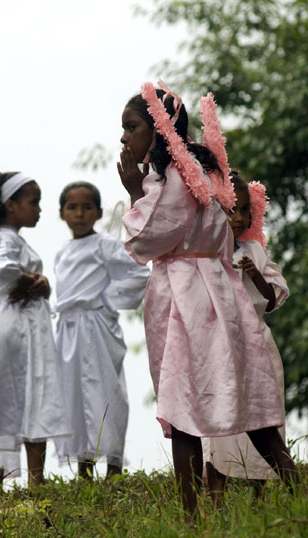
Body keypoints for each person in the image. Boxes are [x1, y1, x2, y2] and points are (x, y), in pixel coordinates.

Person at [117, 81, 299, 514]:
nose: (124, 137)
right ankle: (296, 494)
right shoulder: (201, 170)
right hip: (218, 291)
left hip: (189, 297)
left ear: (160, 130)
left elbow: (149, 236)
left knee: (183, 406)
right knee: (247, 405)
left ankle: (192, 516)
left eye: (132, 127)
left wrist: (133, 192)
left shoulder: (175, 178)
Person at [0, 172, 69, 488]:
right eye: (33, 202)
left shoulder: (11, 237)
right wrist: (29, 281)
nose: (39, 209)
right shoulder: (6, 237)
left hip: (24, 328)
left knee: (24, 399)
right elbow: (2, 270)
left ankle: (31, 483)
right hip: (18, 330)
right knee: (13, 398)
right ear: (11, 205)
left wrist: (41, 283)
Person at [53, 181, 150, 479]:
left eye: (86, 208)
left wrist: (107, 300)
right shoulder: (62, 252)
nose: (79, 214)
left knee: (107, 391)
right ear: (61, 213)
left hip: (97, 327)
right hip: (68, 331)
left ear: (98, 212)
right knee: (73, 393)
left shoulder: (105, 244)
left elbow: (137, 274)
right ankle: (84, 465)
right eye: (72, 207)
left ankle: (115, 465)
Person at [204, 172, 288, 505]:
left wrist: (254, 272)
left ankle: (260, 495)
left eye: (244, 213)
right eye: (230, 210)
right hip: (220, 348)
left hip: (257, 345)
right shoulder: (206, 252)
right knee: (220, 424)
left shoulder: (254, 249)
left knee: (262, 417)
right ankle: (217, 498)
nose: (238, 219)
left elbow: (269, 301)